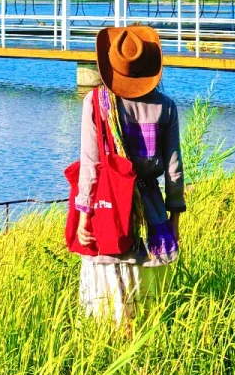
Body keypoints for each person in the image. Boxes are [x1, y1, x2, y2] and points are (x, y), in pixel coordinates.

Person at [75, 24, 184, 323]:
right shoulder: (167, 108)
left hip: (109, 209)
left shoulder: (96, 103)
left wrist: (84, 213)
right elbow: (174, 170)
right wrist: (174, 220)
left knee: (106, 304)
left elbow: (91, 164)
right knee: (150, 304)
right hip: (152, 212)